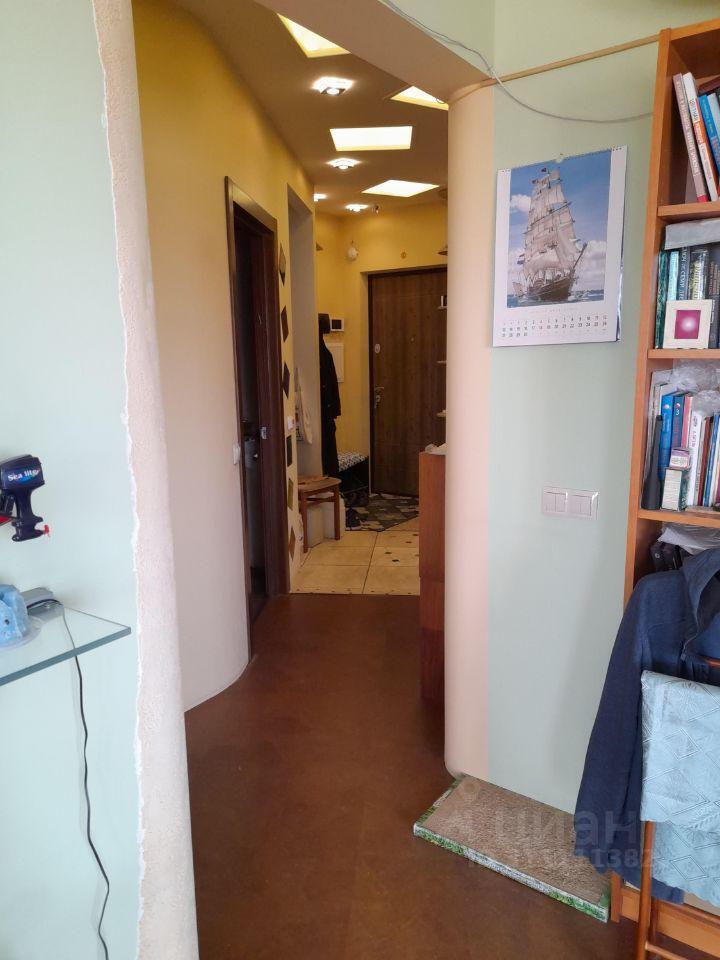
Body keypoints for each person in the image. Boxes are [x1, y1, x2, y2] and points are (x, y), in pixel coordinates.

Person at [318, 313, 341, 478]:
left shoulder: (324, 355)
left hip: (325, 413)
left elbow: (331, 383)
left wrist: (334, 409)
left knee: (328, 452)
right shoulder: (323, 354)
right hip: (324, 412)